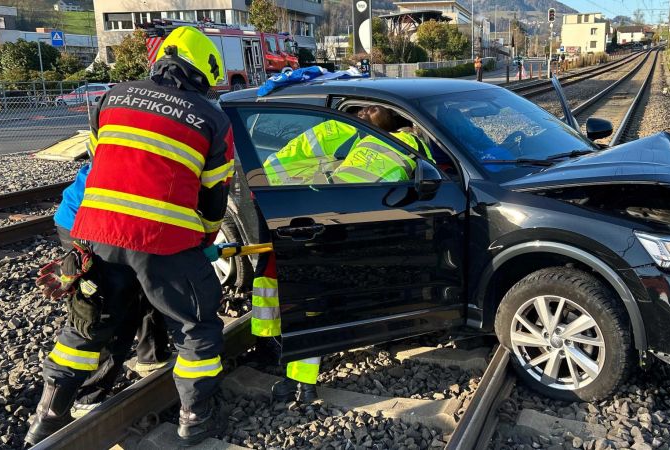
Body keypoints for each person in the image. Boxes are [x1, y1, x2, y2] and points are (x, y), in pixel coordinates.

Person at [25, 26, 234, 446]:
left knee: (88, 325)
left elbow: (106, 160)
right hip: (162, 239)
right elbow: (215, 195)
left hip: (94, 233)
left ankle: (48, 417)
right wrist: (206, 236)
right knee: (194, 324)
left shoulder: (112, 96)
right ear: (204, 73)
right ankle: (196, 419)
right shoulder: (212, 117)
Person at [251, 106, 431, 403]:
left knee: (305, 297)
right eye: (365, 109)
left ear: (395, 120)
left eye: (373, 110)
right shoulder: (362, 137)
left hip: (309, 212)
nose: (364, 113)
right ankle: (283, 358)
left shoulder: (369, 139)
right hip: (304, 210)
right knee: (295, 290)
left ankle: (293, 372)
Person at [53, 161, 172, 419]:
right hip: (93, 224)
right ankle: (87, 397)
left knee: (146, 285)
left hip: (117, 221)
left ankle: (152, 357)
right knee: (111, 309)